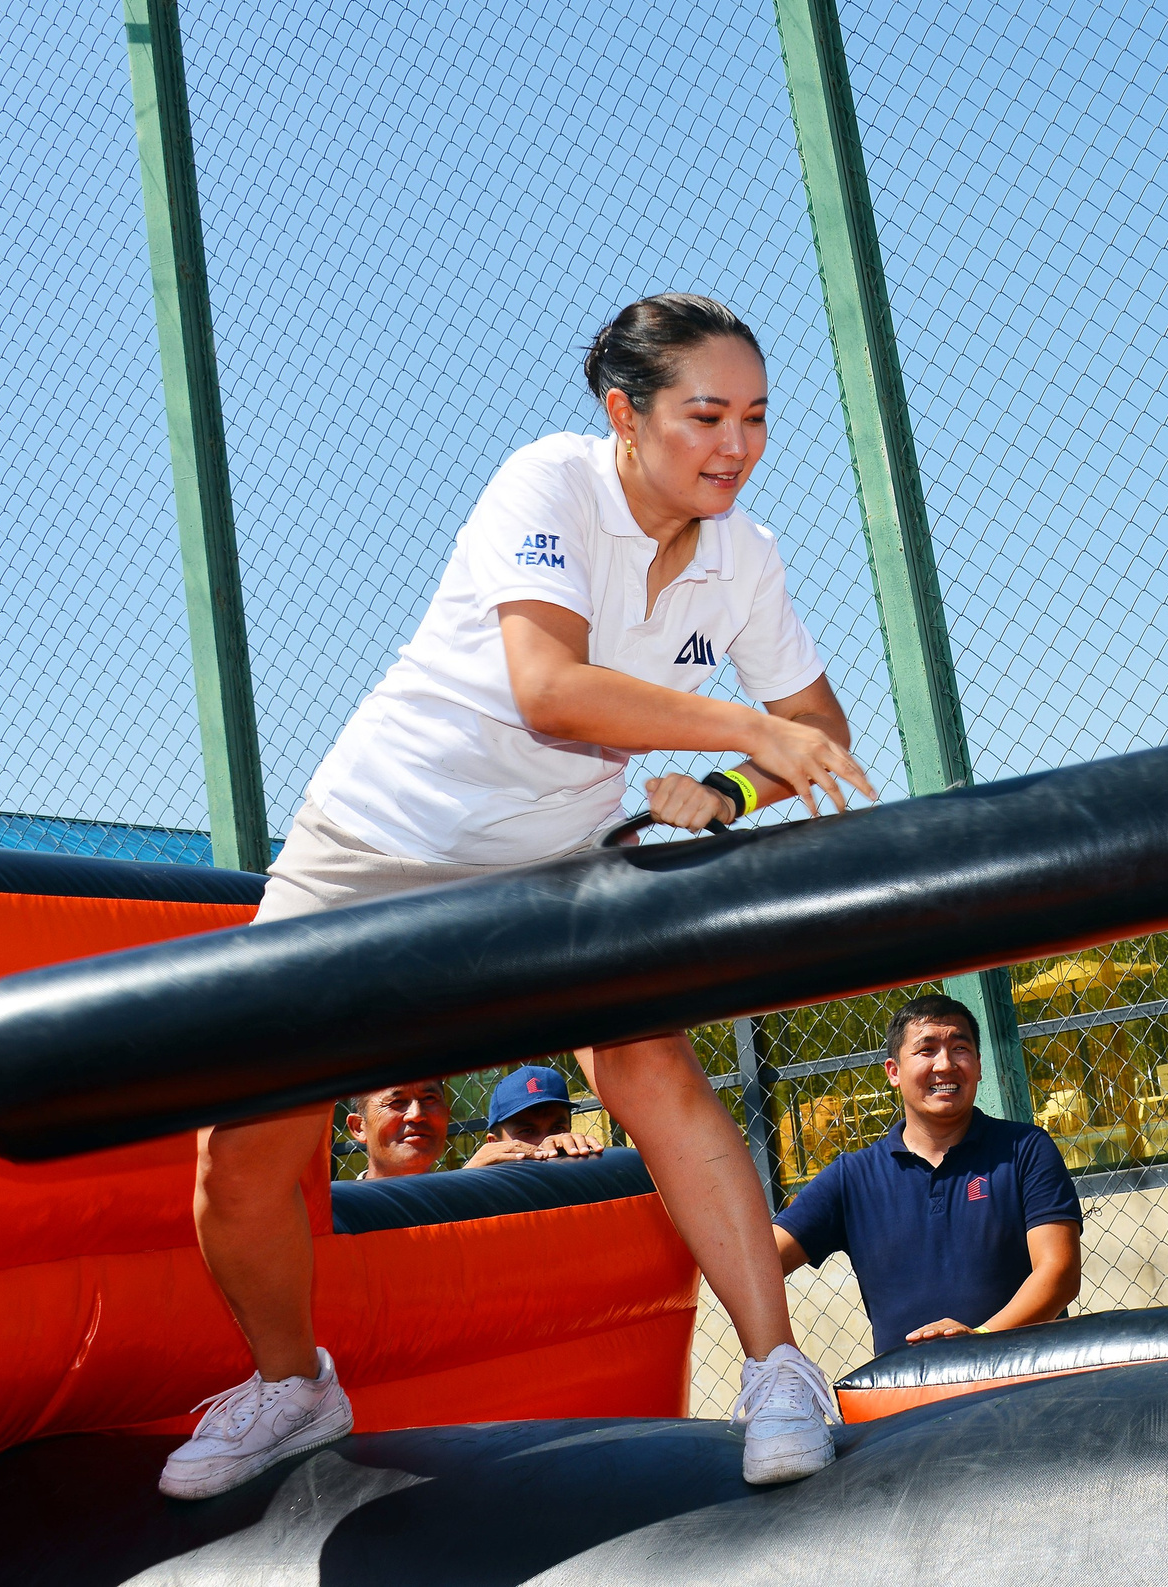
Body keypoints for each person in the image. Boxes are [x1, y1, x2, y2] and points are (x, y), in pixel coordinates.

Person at [157, 295, 875, 1501]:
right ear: (624, 414)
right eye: (707, 414)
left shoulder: (742, 556)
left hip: (559, 852)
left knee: (652, 1068)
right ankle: (292, 1387)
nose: (736, 445)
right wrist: (742, 728)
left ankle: (776, 1368)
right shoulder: (544, 483)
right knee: (240, 1155)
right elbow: (550, 688)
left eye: (756, 417)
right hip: (377, 841)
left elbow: (818, 729)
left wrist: (727, 786)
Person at [773, 995, 1082, 1357]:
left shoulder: (1025, 1149)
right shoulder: (851, 1178)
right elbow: (757, 1267)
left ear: (979, 1065)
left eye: (960, 1048)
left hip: (1026, 1382)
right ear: (894, 1072)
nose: (946, 1064)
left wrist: (980, 1339)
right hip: (908, 1400)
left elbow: (1058, 1272)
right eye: (927, 1050)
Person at [465, 1064, 606, 1167]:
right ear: (494, 1143)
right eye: (527, 1131)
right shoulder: (482, 1190)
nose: (546, 1142)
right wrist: (468, 1177)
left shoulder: (584, 1174)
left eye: (557, 1128)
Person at [343, 1080, 451, 1180]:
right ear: (358, 1127)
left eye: (429, 1098)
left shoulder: (462, 1197)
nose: (416, 1114)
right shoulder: (340, 1200)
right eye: (397, 1102)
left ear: (447, 1116)